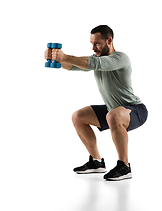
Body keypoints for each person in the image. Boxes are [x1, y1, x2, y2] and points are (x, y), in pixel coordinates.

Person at [44, 25, 148, 181]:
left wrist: (64, 57)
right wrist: (55, 60)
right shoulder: (98, 59)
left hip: (135, 110)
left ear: (109, 40)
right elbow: (73, 66)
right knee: (78, 116)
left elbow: (95, 64)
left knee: (113, 115)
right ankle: (96, 161)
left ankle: (124, 166)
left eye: (97, 43)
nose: (93, 47)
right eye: (91, 43)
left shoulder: (120, 58)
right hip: (112, 110)